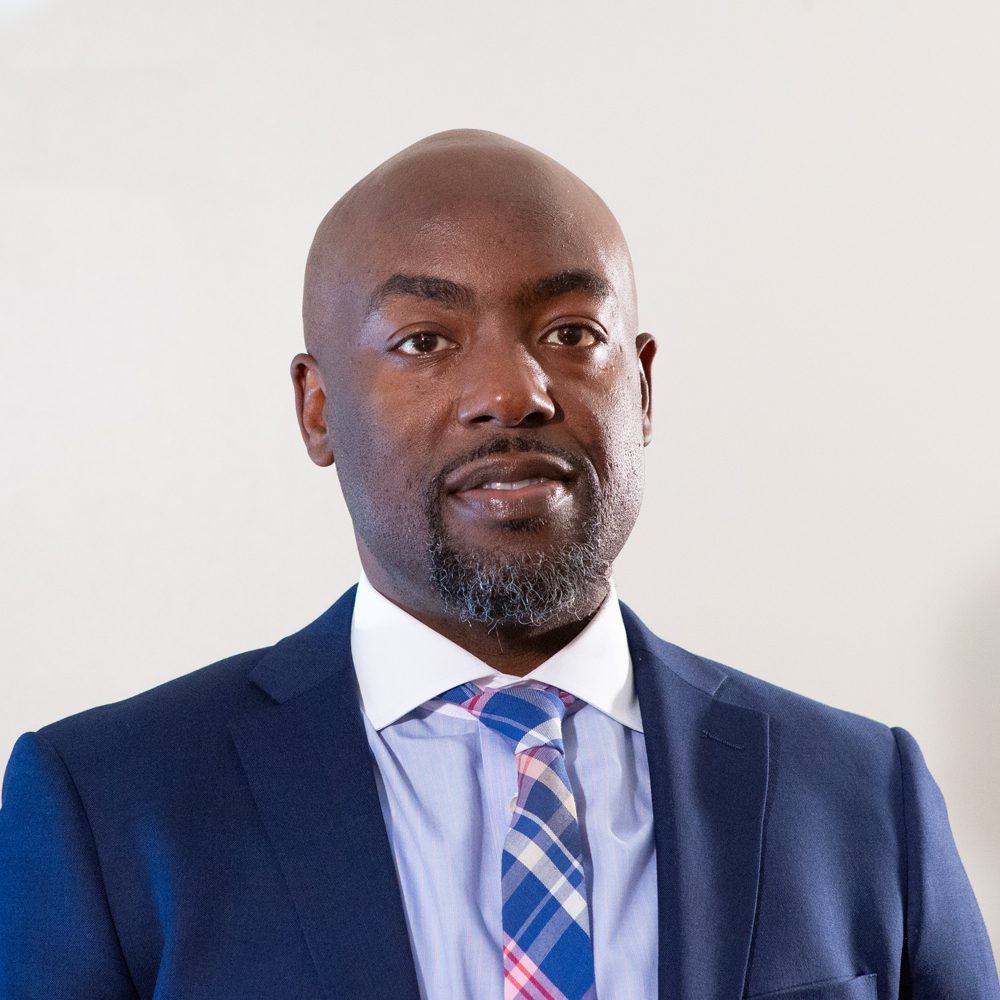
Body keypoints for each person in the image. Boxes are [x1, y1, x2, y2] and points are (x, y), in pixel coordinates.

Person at [0, 130, 996, 1000]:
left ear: (641, 386)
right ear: (316, 409)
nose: (509, 393)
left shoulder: (865, 797)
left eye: (570, 332)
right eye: (424, 339)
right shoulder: (107, 807)